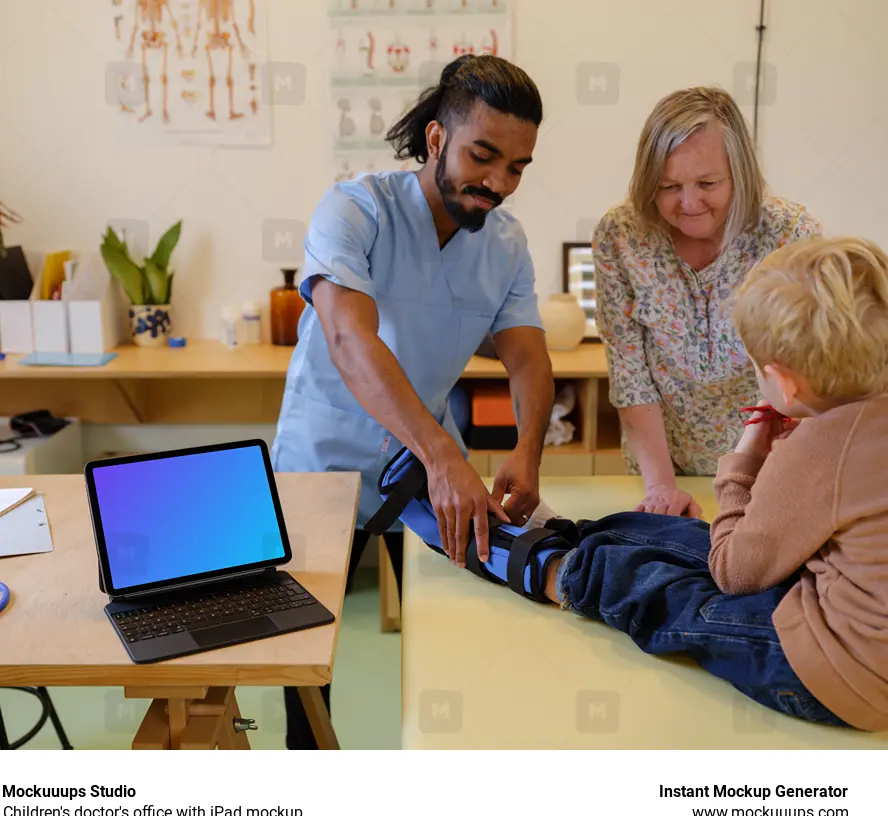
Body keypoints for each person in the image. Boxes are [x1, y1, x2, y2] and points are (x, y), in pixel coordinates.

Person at [460, 235, 888, 731]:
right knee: (688, 539)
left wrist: (746, 457)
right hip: (851, 621)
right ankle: (579, 532)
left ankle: (558, 567)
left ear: (785, 384)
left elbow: (732, 573)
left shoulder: (820, 448)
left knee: (669, 595)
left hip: (840, 675)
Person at [270, 54, 554, 749]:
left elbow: (527, 356)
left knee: (459, 628)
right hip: (324, 466)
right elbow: (345, 335)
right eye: (483, 157)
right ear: (435, 139)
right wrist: (442, 452)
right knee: (305, 665)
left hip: (415, 474)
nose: (498, 183)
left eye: (517, 168)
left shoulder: (506, 246)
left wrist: (526, 450)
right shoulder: (355, 209)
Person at [593, 86, 822, 519]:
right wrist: (661, 486)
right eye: (669, 186)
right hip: (661, 464)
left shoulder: (789, 234)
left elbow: (806, 370)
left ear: (740, 172)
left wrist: (766, 474)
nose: (689, 203)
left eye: (708, 183)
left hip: (771, 464)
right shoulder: (621, 236)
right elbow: (629, 371)